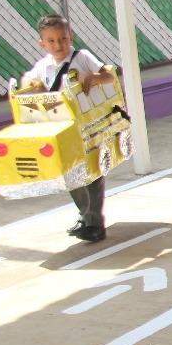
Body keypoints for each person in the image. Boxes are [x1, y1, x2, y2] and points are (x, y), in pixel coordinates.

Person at [21, 14, 116, 243]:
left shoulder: (82, 57)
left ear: (70, 37)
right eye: (51, 41)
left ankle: (95, 223)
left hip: (87, 127)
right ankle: (86, 217)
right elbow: (29, 84)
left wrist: (95, 77)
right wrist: (29, 89)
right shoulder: (43, 66)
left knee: (92, 174)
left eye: (62, 39)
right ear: (42, 44)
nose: (58, 45)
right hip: (62, 130)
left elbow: (109, 75)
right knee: (71, 175)